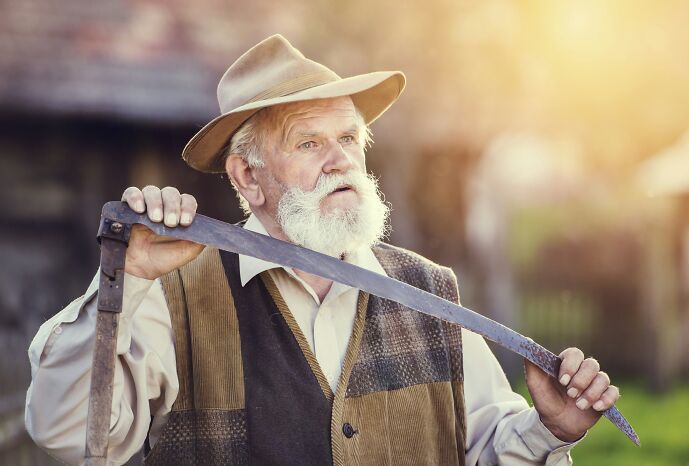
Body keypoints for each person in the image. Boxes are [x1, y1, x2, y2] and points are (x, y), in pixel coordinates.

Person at [25, 34, 619, 466]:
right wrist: (124, 280)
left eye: (348, 139)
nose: (340, 160)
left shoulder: (428, 292)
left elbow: (487, 448)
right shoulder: (168, 293)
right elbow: (72, 433)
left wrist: (546, 431)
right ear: (248, 176)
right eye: (308, 142)